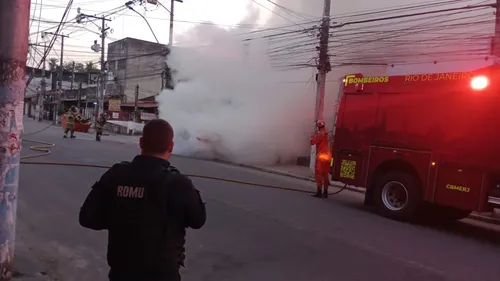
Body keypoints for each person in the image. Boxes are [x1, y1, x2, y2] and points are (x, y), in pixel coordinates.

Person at [79, 119, 206, 281]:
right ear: (171, 147)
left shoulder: (117, 174)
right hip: (162, 274)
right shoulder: (179, 183)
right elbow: (198, 220)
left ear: (140, 142)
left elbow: (87, 218)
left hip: (122, 272)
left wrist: (120, 217)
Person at [310, 120, 330, 198]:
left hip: (321, 156)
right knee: (325, 174)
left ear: (318, 127)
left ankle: (319, 191)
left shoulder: (319, 134)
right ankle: (325, 192)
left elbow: (312, 142)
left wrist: (312, 136)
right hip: (327, 157)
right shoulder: (327, 133)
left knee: (319, 174)